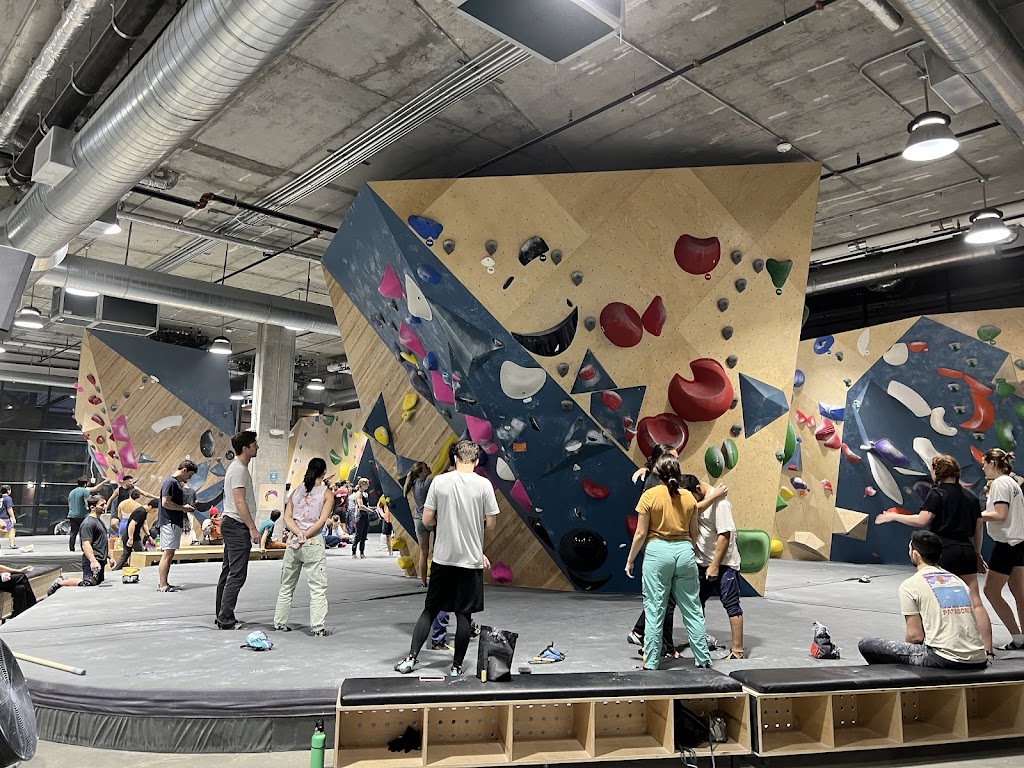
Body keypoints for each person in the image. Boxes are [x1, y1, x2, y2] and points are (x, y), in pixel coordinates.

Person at [394, 440, 499, 677]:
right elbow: (491, 523)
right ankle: (456, 667)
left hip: (443, 560)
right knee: (464, 616)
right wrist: (472, 526)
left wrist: (446, 522)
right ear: (476, 461)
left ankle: (411, 659)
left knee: (430, 610)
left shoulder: (439, 482)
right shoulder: (484, 485)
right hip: (470, 561)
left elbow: (427, 519)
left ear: (455, 459)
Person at [875, 454, 992, 654]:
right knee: (975, 602)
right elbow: (978, 528)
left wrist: (894, 516)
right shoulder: (971, 496)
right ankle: (987, 649)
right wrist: (977, 554)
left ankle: (934, 643)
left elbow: (922, 520)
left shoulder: (937, 493)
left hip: (943, 551)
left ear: (938, 472)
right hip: (966, 550)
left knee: (935, 599)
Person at [627, 444, 726, 656]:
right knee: (684, 606)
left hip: (657, 550)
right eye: (674, 458)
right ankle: (695, 655)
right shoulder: (679, 494)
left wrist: (630, 560)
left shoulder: (654, 489)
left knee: (657, 604)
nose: (678, 461)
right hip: (677, 550)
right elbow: (693, 525)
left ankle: (651, 651)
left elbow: (641, 532)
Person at [859, 531, 987, 668]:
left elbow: (915, 636)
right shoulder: (958, 581)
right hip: (978, 658)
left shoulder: (910, 585)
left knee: (867, 644)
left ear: (915, 554)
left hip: (944, 659)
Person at [274, 458, 333, 635]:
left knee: (286, 586)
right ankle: (317, 627)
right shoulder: (326, 494)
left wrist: (298, 533)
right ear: (324, 472)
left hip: (293, 542)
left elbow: (287, 518)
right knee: (317, 588)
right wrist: (305, 535)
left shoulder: (296, 491)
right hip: (312, 541)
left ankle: (279, 623)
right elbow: (322, 521)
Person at [692, 477, 744, 659]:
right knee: (697, 603)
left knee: (731, 604)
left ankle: (737, 651)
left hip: (723, 564)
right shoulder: (706, 500)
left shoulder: (721, 504)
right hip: (702, 563)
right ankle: (701, 641)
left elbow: (725, 535)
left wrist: (714, 566)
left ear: (698, 489)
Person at [980, 448, 1024, 650]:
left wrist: (976, 514)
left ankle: (1017, 637)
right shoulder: (1012, 483)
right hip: (1018, 543)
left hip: (1007, 545)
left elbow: (1000, 514)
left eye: (984, 463)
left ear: (992, 463)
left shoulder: (999, 483)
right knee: (1019, 593)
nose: (983, 468)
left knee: (991, 591)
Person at [216, 431, 261, 630]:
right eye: (254, 444)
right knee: (237, 574)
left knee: (228, 572)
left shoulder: (238, 468)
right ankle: (225, 618)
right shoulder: (239, 470)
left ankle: (222, 614)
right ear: (245, 448)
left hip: (231, 524)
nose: (257, 447)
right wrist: (252, 528)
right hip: (236, 525)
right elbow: (239, 502)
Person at [156, 460, 198, 593]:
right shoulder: (170, 482)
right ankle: (163, 585)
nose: (190, 478)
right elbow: (165, 503)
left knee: (170, 553)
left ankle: (164, 583)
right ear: (184, 470)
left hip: (173, 521)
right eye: (190, 474)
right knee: (167, 553)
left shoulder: (175, 483)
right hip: (169, 522)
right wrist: (183, 508)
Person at [404, 462, 433, 586]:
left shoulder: (414, 484)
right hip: (431, 520)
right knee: (438, 552)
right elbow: (442, 472)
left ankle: (423, 581)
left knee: (423, 553)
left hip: (418, 521)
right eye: (426, 468)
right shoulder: (428, 482)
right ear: (421, 473)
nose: (429, 468)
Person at [113, 498, 155, 571]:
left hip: (132, 536)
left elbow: (144, 524)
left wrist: (148, 536)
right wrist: (131, 538)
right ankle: (145, 569)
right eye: (154, 510)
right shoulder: (141, 512)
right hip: (132, 537)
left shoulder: (144, 512)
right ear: (151, 507)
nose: (154, 512)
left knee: (126, 554)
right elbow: (132, 525)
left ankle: (115, 569)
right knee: (141, 554)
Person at [66, 477, 105, 552]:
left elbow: (69, 503)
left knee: (73, 532)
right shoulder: (85, 491)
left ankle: (71, 548)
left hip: (72, 514)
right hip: (82, 515)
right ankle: (84, 548)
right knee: (83, 532)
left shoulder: (72, 492)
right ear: (85, 484)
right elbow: (87, 503)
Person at [350, 477, 373, 559]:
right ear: (362, 485)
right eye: (366, 484)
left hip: (365, 515)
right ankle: (354, 552)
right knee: (358, 535)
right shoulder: (358, 493)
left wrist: (372, 509)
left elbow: (366, 505)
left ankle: (362, 552)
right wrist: (370, 510)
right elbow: (361, 506)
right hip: (361, 515)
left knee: (364, 535)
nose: (368, 486)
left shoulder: (365, 494)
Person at [0, 485, 15, 550]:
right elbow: (9, 508)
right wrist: (13, 517)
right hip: (5, 518)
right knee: (11, 530)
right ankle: (12, 544)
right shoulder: (8, 498)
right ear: (8, 491)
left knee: (1, 531)